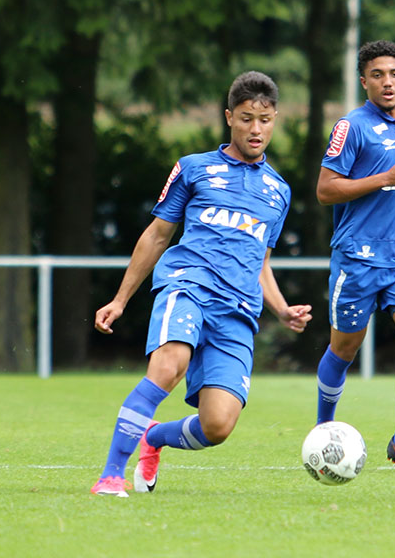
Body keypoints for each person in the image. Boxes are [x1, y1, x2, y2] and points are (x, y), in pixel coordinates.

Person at [90, 71, 312, 497]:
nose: (255, 129)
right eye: (246, 118)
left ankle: (152, 438)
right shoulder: (194, 169)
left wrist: (281, 308)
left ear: (275, 119)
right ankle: (111, 475)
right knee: (168, 367)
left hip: (238, 310)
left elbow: (260, 262)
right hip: (187, 285)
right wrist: (120, 300)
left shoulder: (278, 191)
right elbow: (157, 235)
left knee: (218, 426)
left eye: (264, 120)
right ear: (229, 117)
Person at [314, 40, 395, 472]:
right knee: (344, 350)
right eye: (378, 75)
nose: (387, 82)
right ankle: (322, 433)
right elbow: (326, 190)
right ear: (364, 80)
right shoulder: (352, 127)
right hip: (358, 258)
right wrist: (384, 177)